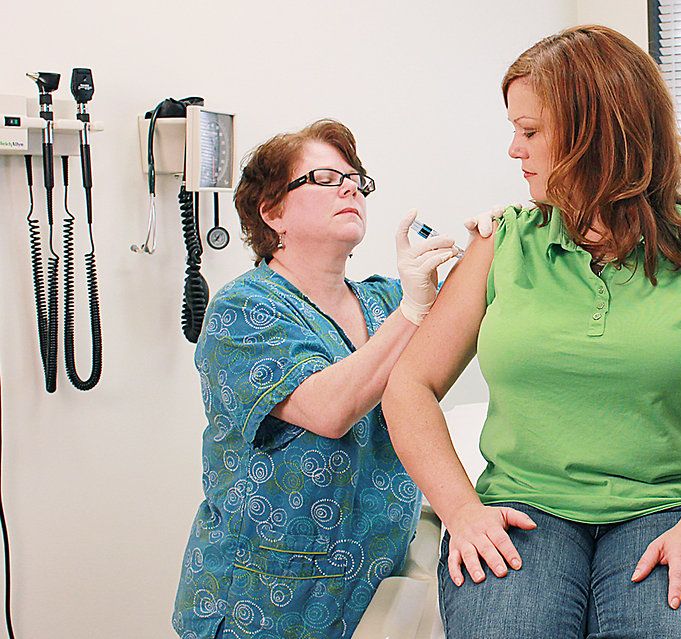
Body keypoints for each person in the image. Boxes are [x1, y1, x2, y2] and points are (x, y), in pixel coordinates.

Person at [382, 26, 681, 639]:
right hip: (526, 508)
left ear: (598, 132)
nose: (514, 150)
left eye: (531, 130)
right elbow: (409, 385)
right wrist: (462, 512)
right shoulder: (501, 243)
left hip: (673, 508)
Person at [172, 119, 499, 639]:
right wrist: (416, 309)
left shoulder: (384, 301)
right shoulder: (243, 309)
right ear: (273, 210)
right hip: (265, 601)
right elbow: (329, 409)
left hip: (375, 589)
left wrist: (495, 242)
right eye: (324, 178)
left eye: (356, 179)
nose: (350, 187)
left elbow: (465, 332)